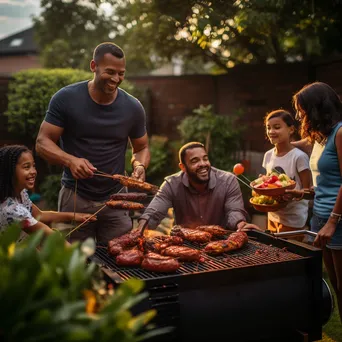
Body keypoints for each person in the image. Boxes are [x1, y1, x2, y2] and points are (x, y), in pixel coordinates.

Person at [35, 42, 150, 243]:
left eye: (121, 73)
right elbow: (42, 142)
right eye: (110, 72)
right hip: (76, 196)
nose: (116, 79)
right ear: (93, 66)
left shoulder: (133, 107)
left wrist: (139, 165)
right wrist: (70, 161)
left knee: (121, 259)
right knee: (74, 261)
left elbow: (141, 147)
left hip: (117, 199)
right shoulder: (66, 98)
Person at [291, 82, 342, 322]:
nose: (299, 115)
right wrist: (304, 193)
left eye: (302, 109)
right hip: (320, 217)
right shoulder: (322, 138)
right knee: (336, 285)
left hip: (337, 220)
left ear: (317, 107)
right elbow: (326, 181)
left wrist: (332, 222)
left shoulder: (340, 133)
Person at [137, 142, 259, 232]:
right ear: (183, 167)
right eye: (195, 161)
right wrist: (139, 230)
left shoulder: (228, 181)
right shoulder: (171, 184)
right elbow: (153, 212)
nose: (203, 164)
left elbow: (234, 210)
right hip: (184, 247)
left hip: (221, 244)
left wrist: (240, 223)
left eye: (205, 159)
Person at [0, 145, 96, 241]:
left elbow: (39, 215)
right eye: (26, 167)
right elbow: (49, 236)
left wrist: (75, 216)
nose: (33, 171)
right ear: (10, 170)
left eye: (33, 166)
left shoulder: (21, 193)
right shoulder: (12, 210)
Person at [262, 110, 311, 240]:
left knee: (291, 255)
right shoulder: (268, 155)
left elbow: (308, 191)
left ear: (291, 130)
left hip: (293, 218)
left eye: (277, 127)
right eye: (268, 128)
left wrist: (293, 194)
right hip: (273, 215)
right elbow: (267, 182)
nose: (271, 131)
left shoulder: (299, 157)